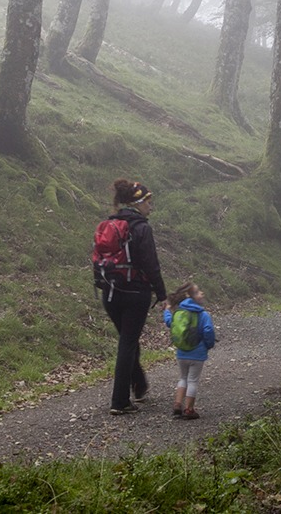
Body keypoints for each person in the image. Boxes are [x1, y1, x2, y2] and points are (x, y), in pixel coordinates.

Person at [96, 179, 167, 415]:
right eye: (148, 202)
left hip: (110, 293)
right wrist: (162, 292)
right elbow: (150, 263)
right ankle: (119, 401)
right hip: (136, 293)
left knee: (128, 340)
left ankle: (139, 384)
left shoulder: (109, 224)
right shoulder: (142, 228)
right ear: (138, 203)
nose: (151, 207)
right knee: (127, 343)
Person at [163, 281, 216, 420]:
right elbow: (208, 330)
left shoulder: (179, 312)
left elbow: (170, 322)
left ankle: (177, 404)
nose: (202, 293)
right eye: (198, 292)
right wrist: (208, 345)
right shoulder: (203, 314)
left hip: (181, 353)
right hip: (197, 354)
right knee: (193, 381)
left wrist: (167, 310)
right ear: (192, 297)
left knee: (183, 378)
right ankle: (189, 409)